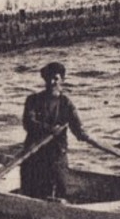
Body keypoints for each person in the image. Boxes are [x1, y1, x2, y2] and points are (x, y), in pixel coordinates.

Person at [19, 62, 101, 201]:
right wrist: (50, 129)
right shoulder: (33, 100)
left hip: (56, 153)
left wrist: (84, 136)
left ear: (62, 80)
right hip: (34, 153)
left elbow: (77, 128)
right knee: (31, 191)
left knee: (61, 187)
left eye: (55, 78)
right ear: (44, 78)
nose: (52, 82)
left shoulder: (66, 103)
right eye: (49, 78)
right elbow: (29, 123)